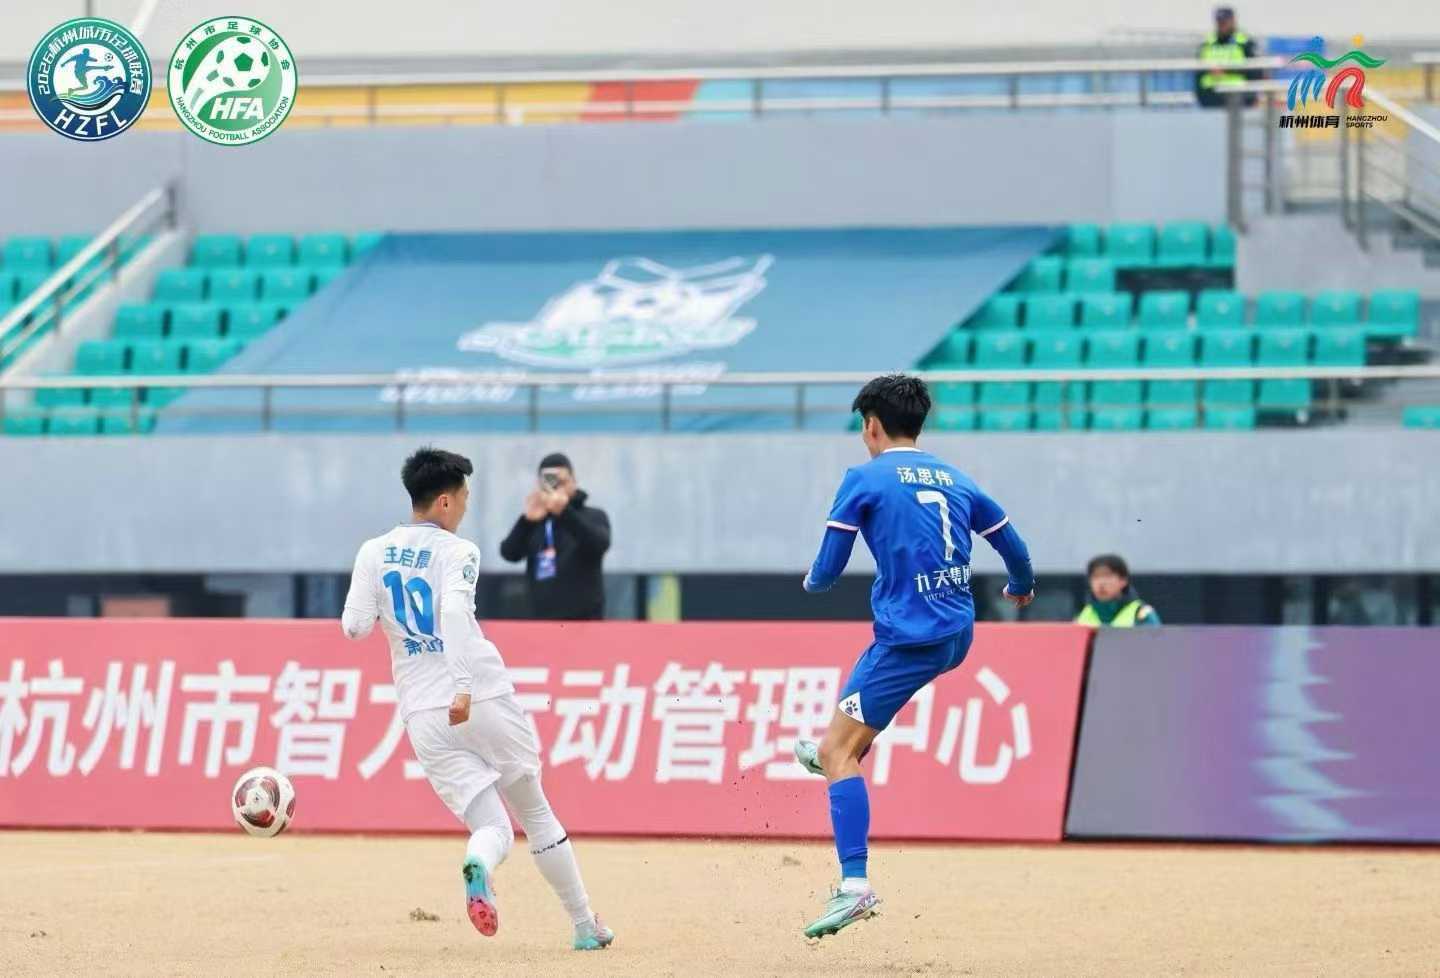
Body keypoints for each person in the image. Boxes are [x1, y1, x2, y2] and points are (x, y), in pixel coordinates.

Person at [340, 446, 614, 951]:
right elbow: (454, 616)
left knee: (491, 826)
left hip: (421, 712)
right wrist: (463, 685)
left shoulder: (372, 552)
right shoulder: (459, 551)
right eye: (464, 497)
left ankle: (479, 861)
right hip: (479, 696)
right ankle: (584, 926)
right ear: (445, 501)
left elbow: (354, 627)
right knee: (535, 813)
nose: (466, 506)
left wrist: (390, 615)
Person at [792, 375, 1035, 939]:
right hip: (957, 634)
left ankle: (855, 885)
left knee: (836, 751)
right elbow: (1013, 545)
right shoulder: (955, 477)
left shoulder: (864, 478)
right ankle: (838, 750)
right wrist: (1020, 587)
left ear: (871, 424)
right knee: (848, 728)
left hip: (909, 638)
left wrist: (812, 580)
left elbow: (826, 573)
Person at [499, 453, 611, 620]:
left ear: (573, 481)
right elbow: (509, 553)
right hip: (542, 620)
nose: (556, 488)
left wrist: (565, 512)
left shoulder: (593, 516)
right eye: (550, 482)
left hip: (585, 621)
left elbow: (599, 544)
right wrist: (526, 522)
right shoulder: (536, 520)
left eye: (561, 482)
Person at [1195, 7, 1260, 108]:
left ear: (1233, 20)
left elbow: (1255, 72)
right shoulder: (1207, 43)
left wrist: (1226, 70)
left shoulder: (1245, 43)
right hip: (1210, 97)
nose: (1222, 24)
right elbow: (1198, 72)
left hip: (1238, 96)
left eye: (1225, 21)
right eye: (1219, 21)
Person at [1075, 554, 1161, 627]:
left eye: (1107, 576)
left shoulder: (1141, 613)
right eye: (1096, 577)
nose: (1101, 583)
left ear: (1123, 580)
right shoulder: (1083, 615)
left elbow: (1153, 640)